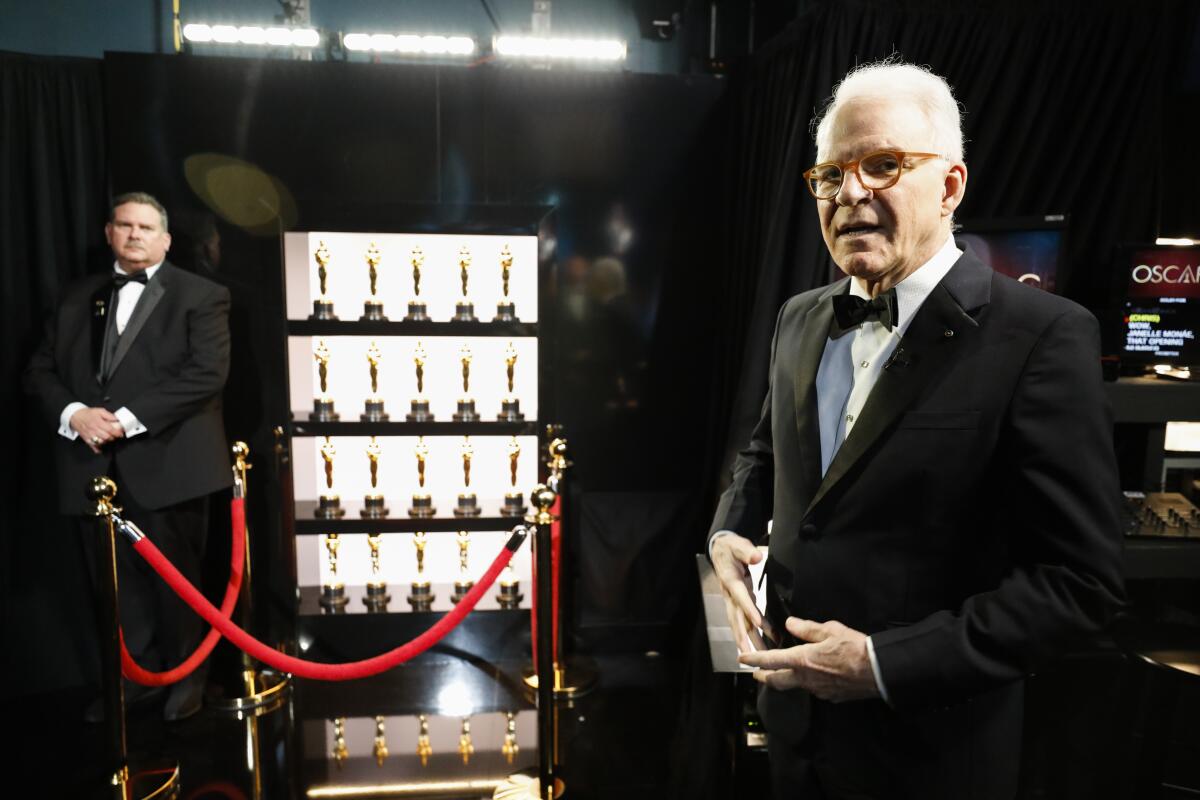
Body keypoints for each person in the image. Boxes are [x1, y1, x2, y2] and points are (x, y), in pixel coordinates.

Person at [708, 61, 1124, 800]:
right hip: (794, 741)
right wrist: (727, 534)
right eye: (831, 174)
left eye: (882, 164)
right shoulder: (800, 317)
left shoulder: (1044, 336)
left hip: (933, 758)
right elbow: (764, 453)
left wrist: (882, 664)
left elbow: (1077, 584)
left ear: (951, 186)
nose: (851, 193)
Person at [25, 192, 232, 721]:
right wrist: (75, 414)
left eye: (146, 227)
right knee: (117, 585)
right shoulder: (74, 297)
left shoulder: (202, 295)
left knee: (177, 581)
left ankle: (188, 678)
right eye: (125, 225)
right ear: (108, 233)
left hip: (169, 466)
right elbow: (40, 371)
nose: (135, 234)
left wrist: (123, 419)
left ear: (165, 239)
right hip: (91, 471)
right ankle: (137, 676)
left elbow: (206, 375)